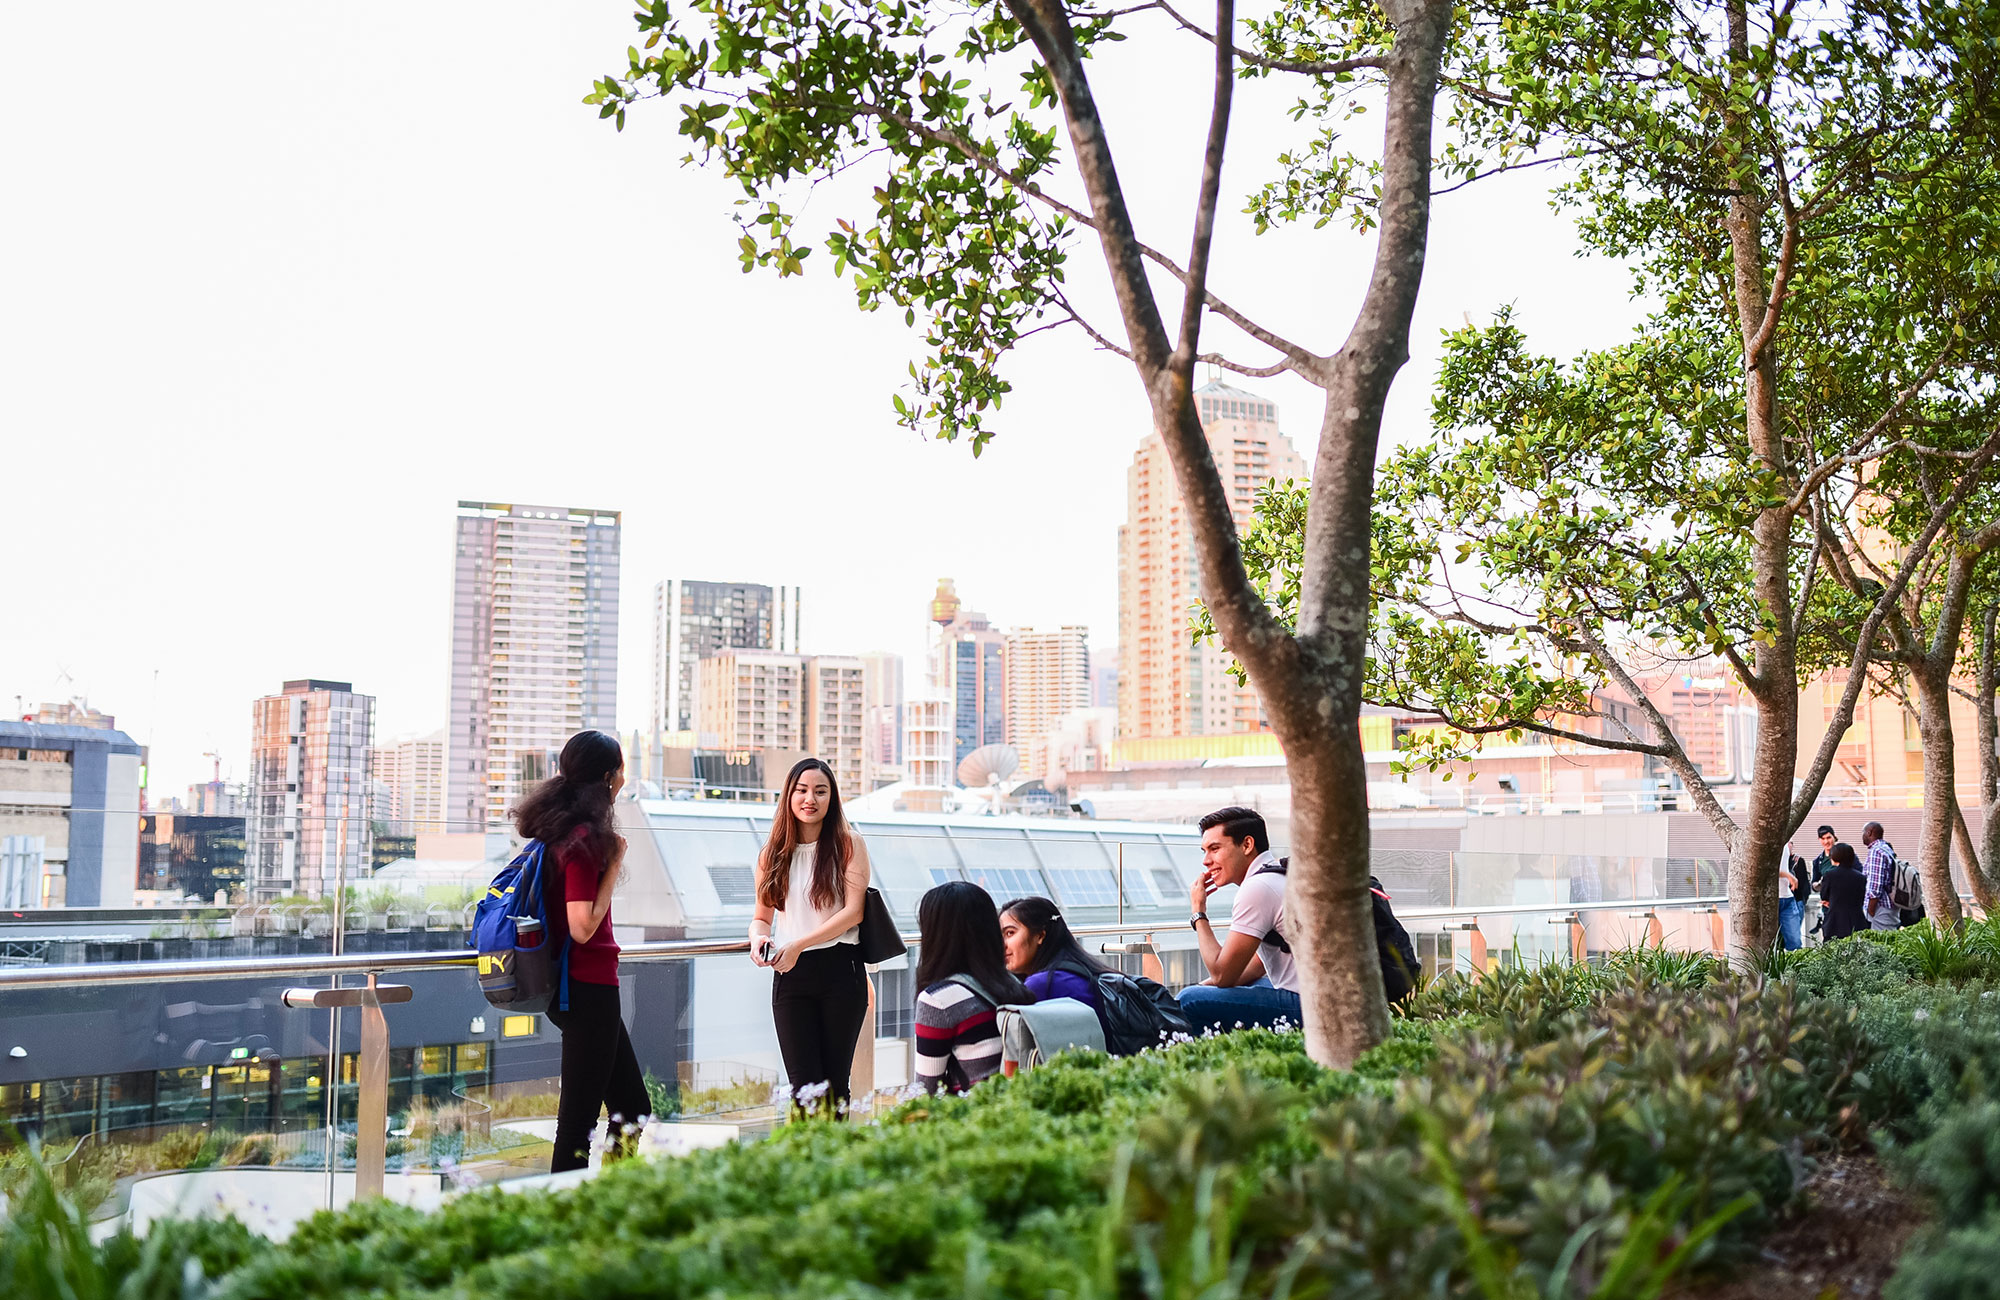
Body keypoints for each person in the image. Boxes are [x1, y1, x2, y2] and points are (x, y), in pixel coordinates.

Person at [513, 729, 648, 1174]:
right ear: (609, 777)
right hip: (587, 989)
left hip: (578, 987)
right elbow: (583, 926)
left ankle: (609, 1203)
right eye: (621, 771)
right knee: (578, 1123)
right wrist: (614, 863)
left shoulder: (558, 829)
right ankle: (567, 1218)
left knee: (631, 1107)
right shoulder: (584, 839)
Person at [750, 757, 873, 1116]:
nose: (810, 799)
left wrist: (799, 944)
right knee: (803, 1089)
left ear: (832, 798)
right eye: (802, 790)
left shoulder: (849, 844)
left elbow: (854, 912)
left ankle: (836, 1167)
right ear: (788, 796)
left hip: (840, 971)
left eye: (821, 791)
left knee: (835, 1086)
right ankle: (806, 1167)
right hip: (790, 975)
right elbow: (761, 917)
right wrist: (758, 940)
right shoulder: (772, 853)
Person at [1179, 806, 1302, 1035]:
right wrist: (1204, 986)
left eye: (1215, 849)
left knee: (1189, 1001)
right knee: (1205, 991)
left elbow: (1223, 974)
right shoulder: (1277, 873)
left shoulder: (1258, 887)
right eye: (1204, 851)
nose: (1206, 861)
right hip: (1325, 1000)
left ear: (1247, 845)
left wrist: (1198, 912)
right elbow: (1257, 965)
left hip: (1311, 1007)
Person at [913, 881, 1033, 1094]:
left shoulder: (938, 1000)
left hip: (976, 1117)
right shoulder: (1015, 984)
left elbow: (925, 1092)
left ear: (935, 934)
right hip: (1018, 1109)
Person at [1000, 895, 1111, 1022]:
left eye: (1010, 933)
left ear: (1040, 936)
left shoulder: (1043, 984)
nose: (1002, 944)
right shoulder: (1079, 971)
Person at [1817, 842, 1869, 941]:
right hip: (1857, 921)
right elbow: (1861, 897)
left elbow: (1824, 895)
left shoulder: (1829, 875)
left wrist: (1831, 902)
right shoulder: (1860, 877)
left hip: (1835, 922)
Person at [1861, 821, 1901, 932]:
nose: (1862, 836)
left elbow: (1875, 886)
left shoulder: (1876, 852)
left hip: (1880, 908)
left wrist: (1871, 910)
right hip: (1889, 906)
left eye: (1863, 833)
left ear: (1869, 832)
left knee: (1882, 945)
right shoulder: (1886, 848)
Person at [1807, 825, 1838, 943]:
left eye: (1829, 837)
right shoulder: (1818, 861)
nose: (1826, 841)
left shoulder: (1845, 853)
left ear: (1834, 837)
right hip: (1827, 906)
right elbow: (1814, 883)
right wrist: (1818, 885)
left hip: (1845, 905)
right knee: (1829, 938)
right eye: (1823, 838)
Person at [1778, 850, 1806, 952]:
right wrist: (1789, 876)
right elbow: (1766, 868)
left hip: (1788, 897)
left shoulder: (1785, 844)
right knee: (1773, 944)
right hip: (1771, 898)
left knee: (1795, 943)